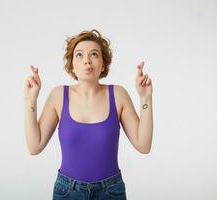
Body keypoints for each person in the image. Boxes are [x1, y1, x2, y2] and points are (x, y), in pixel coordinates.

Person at [24, 29, 153, 200]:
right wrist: (30, 100)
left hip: (111, 191)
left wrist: (145, 98)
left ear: (103, 64)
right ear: (71, 65)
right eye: (79, 55)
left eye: (94, 54)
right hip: (68, 192)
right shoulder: (58, 96)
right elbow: (34, 146)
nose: (87, 60)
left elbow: (143, 145)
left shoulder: (118, 94)